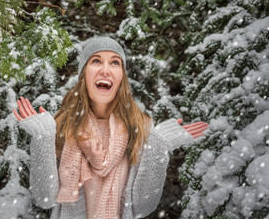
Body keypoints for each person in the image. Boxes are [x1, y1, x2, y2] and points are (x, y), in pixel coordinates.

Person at [12, 37, 208, 219]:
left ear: (121, 76)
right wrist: (42, 136)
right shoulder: (63, 125)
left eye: (115, 62)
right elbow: (45, 199)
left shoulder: (138, 128)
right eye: (96, 61)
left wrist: (158, 146)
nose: (105, 70)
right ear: (83, 74)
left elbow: (143, 206)